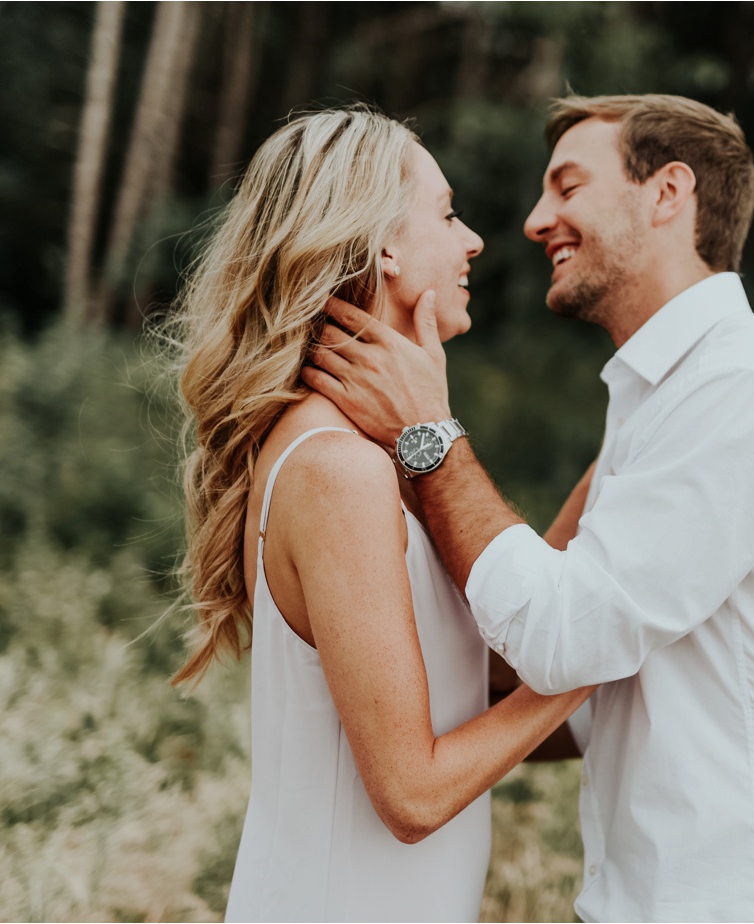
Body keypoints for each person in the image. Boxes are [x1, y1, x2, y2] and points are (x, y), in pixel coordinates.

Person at [304, 94, 754, 922]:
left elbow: (566, 640)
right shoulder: (656, 401)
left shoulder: (749, 390)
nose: (537, 220)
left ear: (668, 194)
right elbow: (575, 677)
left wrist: (426, 439)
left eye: (568, 188)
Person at [168, 108, 595, 923]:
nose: (472, 240)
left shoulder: (382, 455)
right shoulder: (338, 469)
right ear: (383, 245)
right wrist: (596, 653)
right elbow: (412, 793)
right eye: (445, 211)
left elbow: (478, 679)